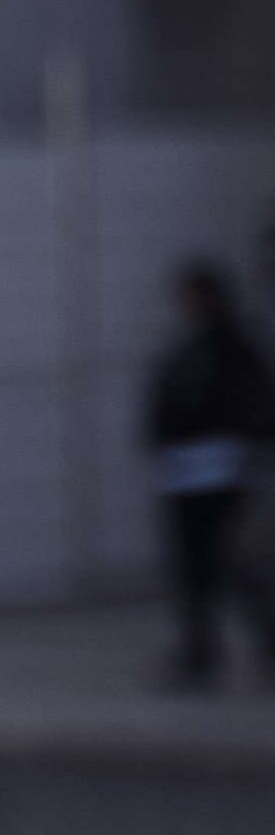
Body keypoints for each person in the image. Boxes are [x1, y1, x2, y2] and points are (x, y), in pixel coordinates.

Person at [150, 261, 275, 688]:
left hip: (220, 468)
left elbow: (253, 407)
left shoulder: (229, 348)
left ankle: (247, 646)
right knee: (196, 569)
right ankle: (199, 653)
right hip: (186, 471)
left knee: (230, 565)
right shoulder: (187, 346)